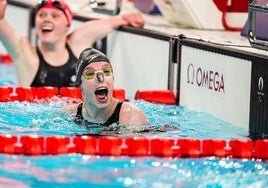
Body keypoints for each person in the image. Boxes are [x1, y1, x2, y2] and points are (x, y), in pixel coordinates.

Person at [0, 0, 145, 87]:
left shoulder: (77, 44)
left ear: (67, 25)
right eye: (41, 15)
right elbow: (2, 24)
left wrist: (126, 18)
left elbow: (106, 24)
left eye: (55, 16)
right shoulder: (25, 54)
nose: (46, 19)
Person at [64, 47, 148, 126]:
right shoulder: (69, 114)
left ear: (113, 79)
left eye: (106, 71)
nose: (101, 78)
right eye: (90, 73)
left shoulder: (131, 116)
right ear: (80, 85)